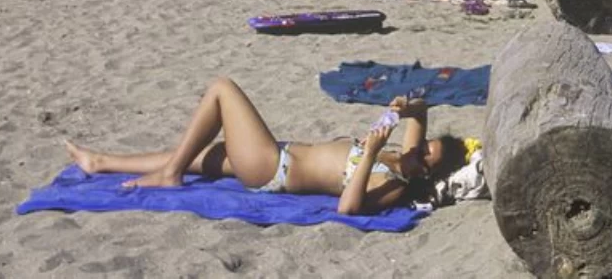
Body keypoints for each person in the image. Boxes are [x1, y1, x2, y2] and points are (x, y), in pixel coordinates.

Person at [63, 78, 466, 214]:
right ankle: (100, 162)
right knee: (198, 157)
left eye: (423, 154)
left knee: (222, 89)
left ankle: (169, 175)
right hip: (280, 152)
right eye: (421, 145)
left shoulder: (395, 185)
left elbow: (349, 207)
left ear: (426, 173)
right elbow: (422, 113)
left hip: (273, 170)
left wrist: (372, 156)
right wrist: (406, 107)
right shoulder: (408, 158)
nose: (415, 149)